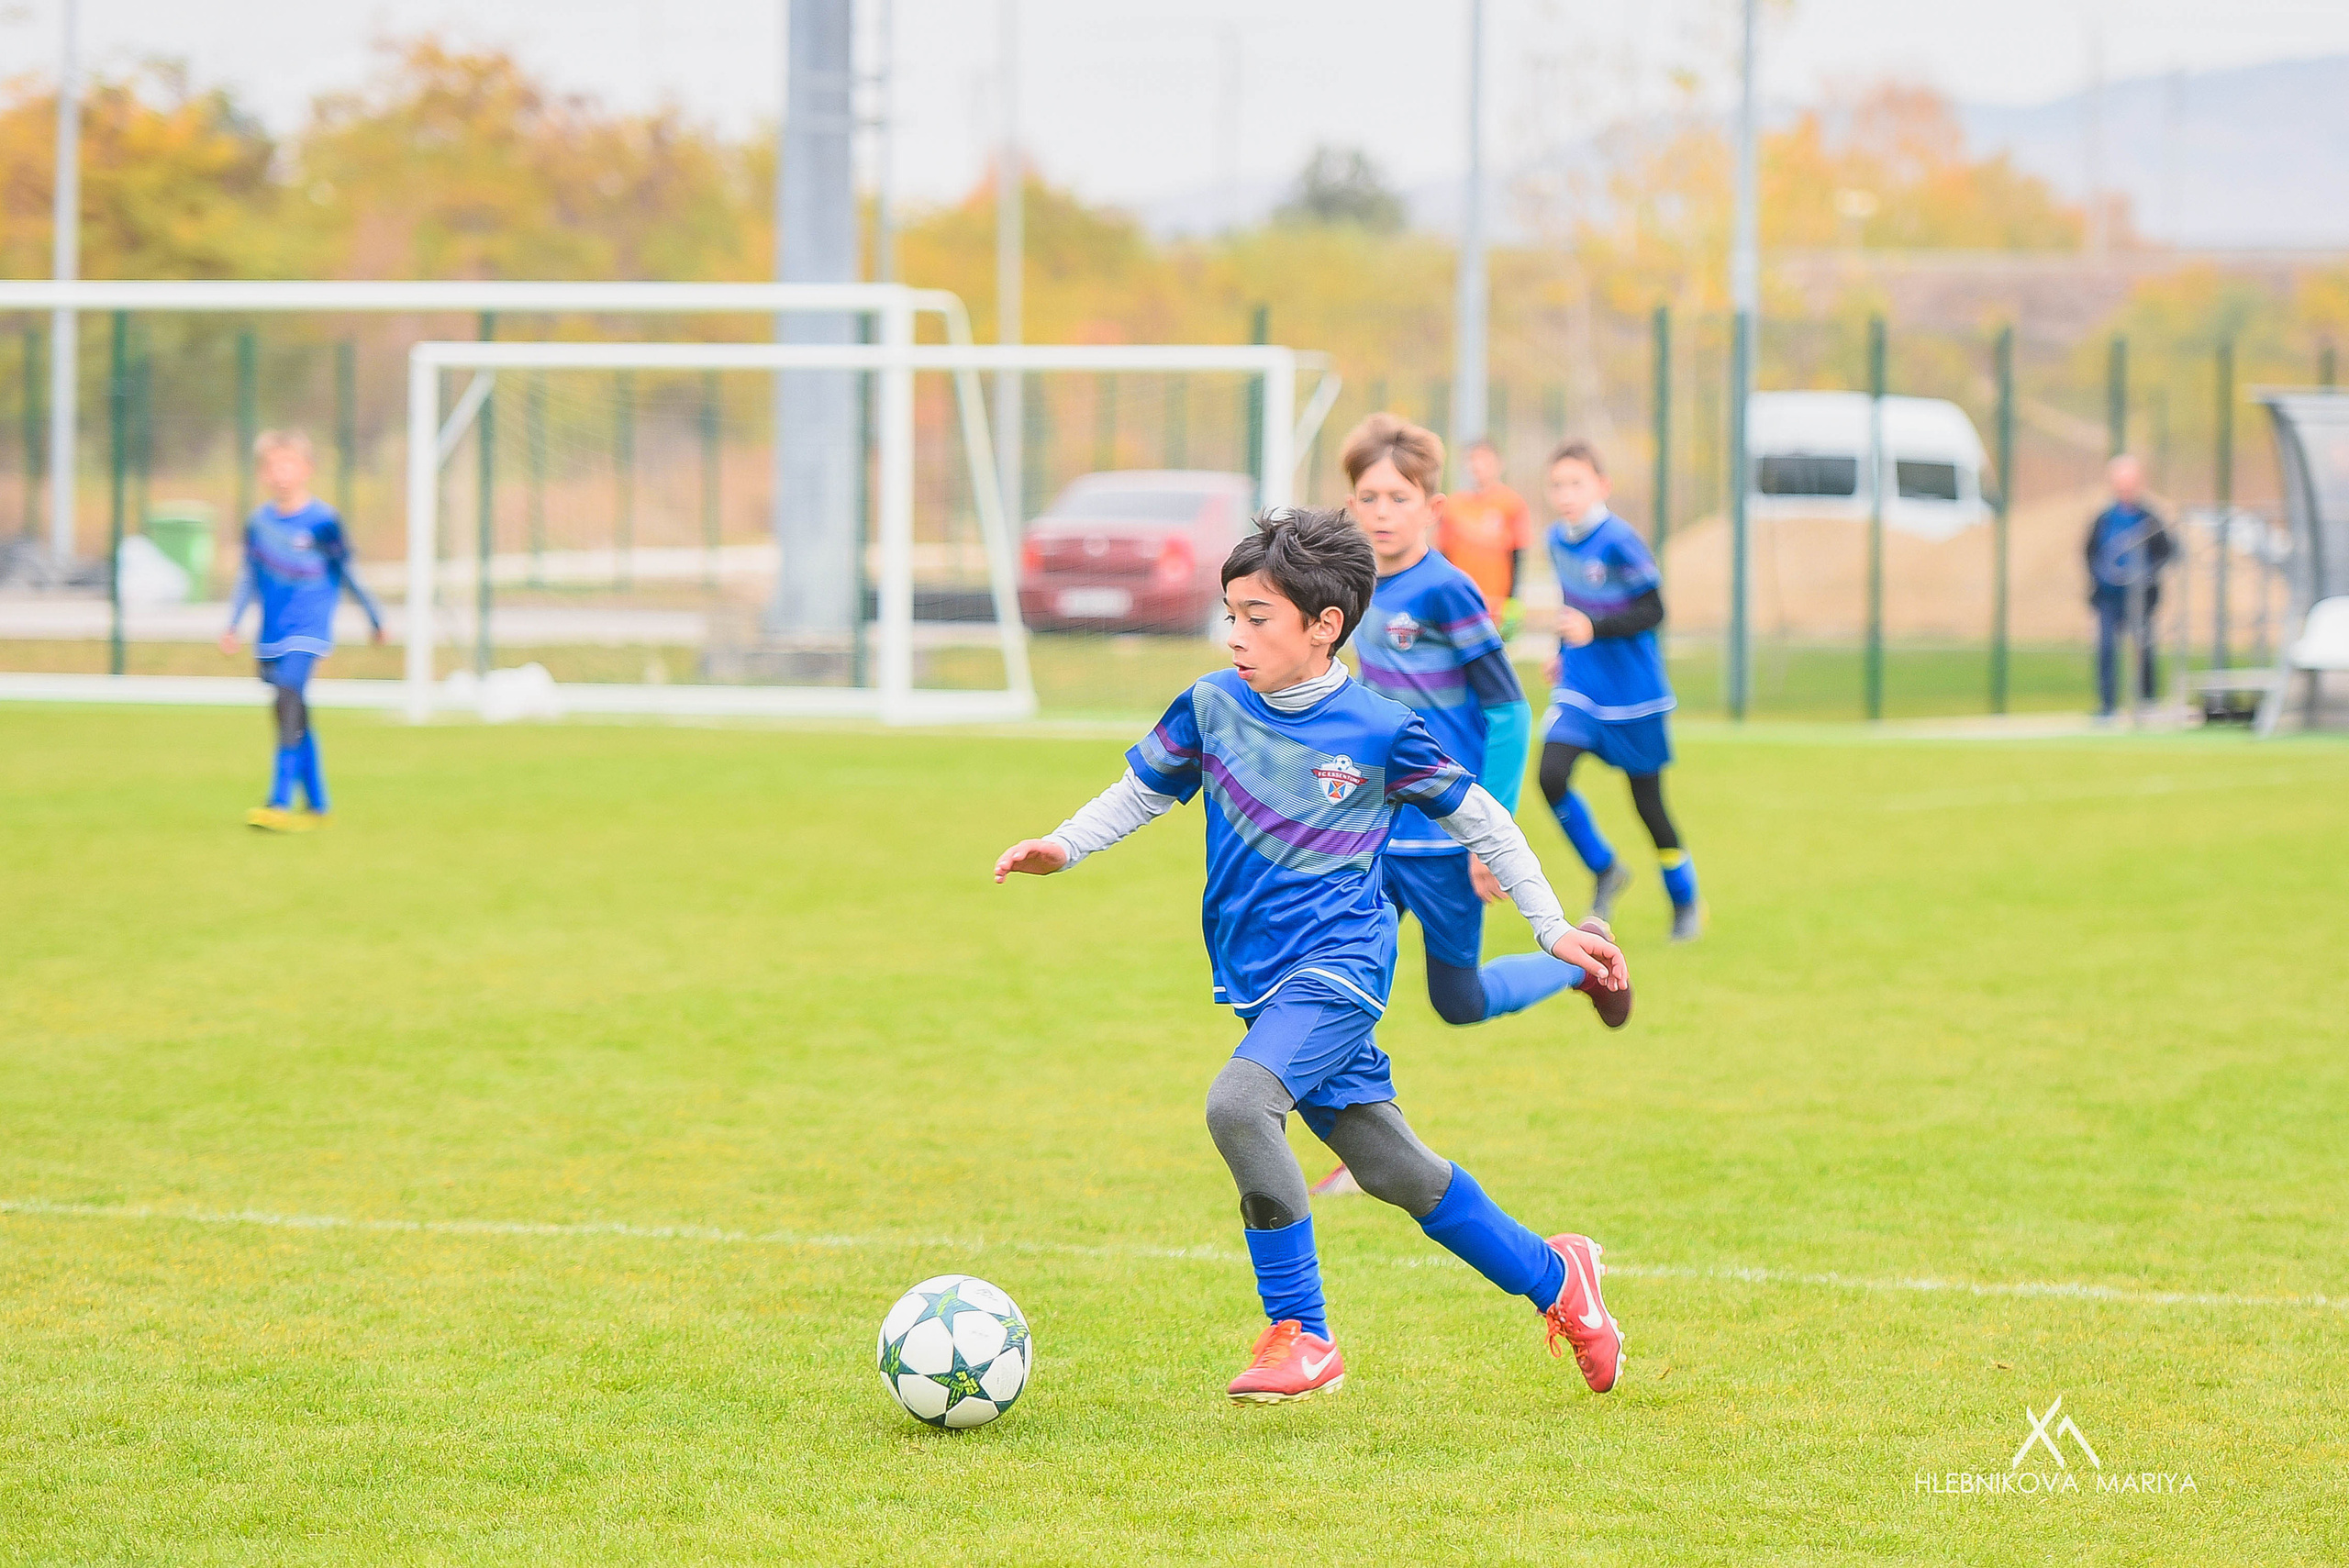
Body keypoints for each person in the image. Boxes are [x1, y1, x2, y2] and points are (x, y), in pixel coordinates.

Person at [994, 508, 1632, 1405]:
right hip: (1262, 980)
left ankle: (1302, 1329)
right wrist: (1062, 845)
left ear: (1324, 624)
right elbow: (1140, 792)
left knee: (1238, 1104)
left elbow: (1484, 819)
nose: (1235, 634)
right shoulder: (1211, 705)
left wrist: (1551, 927)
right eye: (1231, 614)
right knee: (1396, 1170)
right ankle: (1559, 1276)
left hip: (1340, 969)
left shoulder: (1379, 729)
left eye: (1258, 616)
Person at [1342, 414, 1617, 1030]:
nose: (1383, 512)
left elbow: (1510, 711)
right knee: (1343, 974)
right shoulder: (1356, 587)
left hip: (1446, 835)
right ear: (1351, 504)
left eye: (1399, 498)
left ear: (1432, 507)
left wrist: (1488, 837)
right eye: (1369, 497)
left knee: (1458, 1002)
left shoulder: (1447, 590)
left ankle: (1580, 967)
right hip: (1375, 830)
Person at [1537, 440, 1702, 943]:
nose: (1566, 494)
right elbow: (1572, 605)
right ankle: (1605, 868)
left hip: (1635, 697)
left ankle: (1685, 900)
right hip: (1581, 687)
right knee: (1550, 775)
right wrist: (1562, 651)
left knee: (1649, 806)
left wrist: (1594, 629)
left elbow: (1654, 611)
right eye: (1558, 485)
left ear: (1602, 487)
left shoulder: (1620, 541)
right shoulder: (1556, 540)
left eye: (1577, 483)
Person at [217, 430, 384, 831]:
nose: (281, 474)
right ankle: (319, 804)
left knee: (289, 697)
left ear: (306, 469)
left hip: (309, 629)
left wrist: (374, 618)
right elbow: (248, 577)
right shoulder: (259, 523)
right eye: (273, 466)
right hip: (271, 632)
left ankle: (278, 801)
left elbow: (347, 572)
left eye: (288, 465)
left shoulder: (324, 522)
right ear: (263, 473)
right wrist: (232, 623)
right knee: (291, 711)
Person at [2084, 454, 2174, 718]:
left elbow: (2166, 551)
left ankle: (2147, 702)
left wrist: (2147, 576)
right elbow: (2090, 552)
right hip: (2109, 597)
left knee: (2143, 648)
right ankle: (2108, 705)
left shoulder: (2150, 519)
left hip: (2141, 597)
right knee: (2106, 649)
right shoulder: (2104, 518)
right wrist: (2099, 578)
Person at [1433, 437, 1535, 637]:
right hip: (1460, 600)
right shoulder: (1453, 506)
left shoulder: (1511, 504)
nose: (1478, 466)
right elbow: (1444, 556)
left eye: (1484, 460)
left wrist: (1512, 601)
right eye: (1472, 460)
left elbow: (1517, 554)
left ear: (1499, 464)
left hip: (1495, 604)